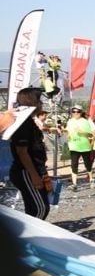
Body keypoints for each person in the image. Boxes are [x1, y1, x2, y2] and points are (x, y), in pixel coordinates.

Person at [8, 88, 50, 220]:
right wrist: (34, 175)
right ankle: (27, 237)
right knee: (39, 209)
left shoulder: (29, 121)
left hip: (36, 169)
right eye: (39, 101)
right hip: (25, 171)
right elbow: (22, 152)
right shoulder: (23, 123)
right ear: (33, 102)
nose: (41, 104)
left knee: (37, 208)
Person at [65, 105, 95, 191]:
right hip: (73, 146)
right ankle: (74, 184)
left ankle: (91, 180)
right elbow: (68, 131)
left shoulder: (86, 121)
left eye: (77, 111)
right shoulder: (70, 121)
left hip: (84, 146)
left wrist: (82, 132)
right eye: (73, 111)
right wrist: (66, 135)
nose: (75, 113)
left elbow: (91, 134)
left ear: (81, 112)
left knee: (88, 164)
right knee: (74, 165)